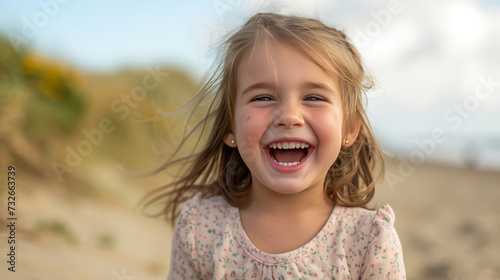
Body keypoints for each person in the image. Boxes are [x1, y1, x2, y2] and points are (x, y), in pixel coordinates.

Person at [145, 12, 405, 279]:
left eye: (314, 97)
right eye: (264, 97)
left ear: (349, 128)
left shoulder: (367, 241)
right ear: (230, 127)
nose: (289, 116)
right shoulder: (200, 227)